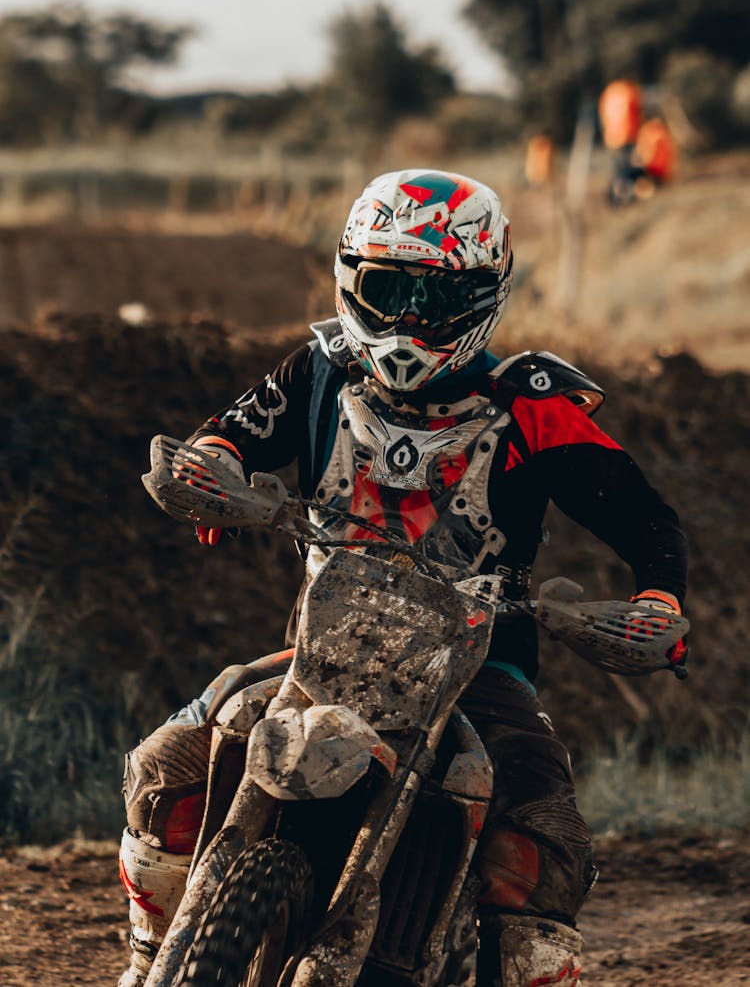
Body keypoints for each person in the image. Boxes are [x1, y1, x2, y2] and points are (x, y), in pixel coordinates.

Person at [118, 169, 688, 987]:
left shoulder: (530, 404)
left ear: (483, 295)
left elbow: (647, 518)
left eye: (434, 299)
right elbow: (231, 434)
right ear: (352, 279)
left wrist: (657, 596)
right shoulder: (318, 372)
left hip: (481, 667)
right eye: (388, 289)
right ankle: (148, 950)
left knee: (541, 837)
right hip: (322, 655)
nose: (408, 319)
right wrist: (211, 469)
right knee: (168, 762)